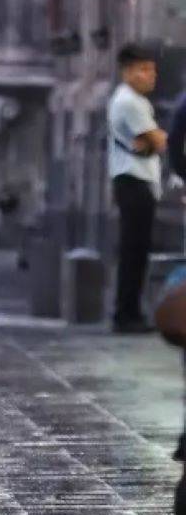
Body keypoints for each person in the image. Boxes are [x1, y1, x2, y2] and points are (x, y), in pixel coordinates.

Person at [109, 42, 167, 334]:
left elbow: (153, 141)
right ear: (127, 71)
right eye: (143, 69)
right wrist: (154, 139)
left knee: (138, 250)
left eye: (152, 70)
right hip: (134, 181)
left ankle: (130, 310)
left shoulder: (137, 101)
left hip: (140, 180)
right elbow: (157, 141)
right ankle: (126, 313)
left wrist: (152, 140)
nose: (150, 76)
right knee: (134, 250)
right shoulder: (128, 102)